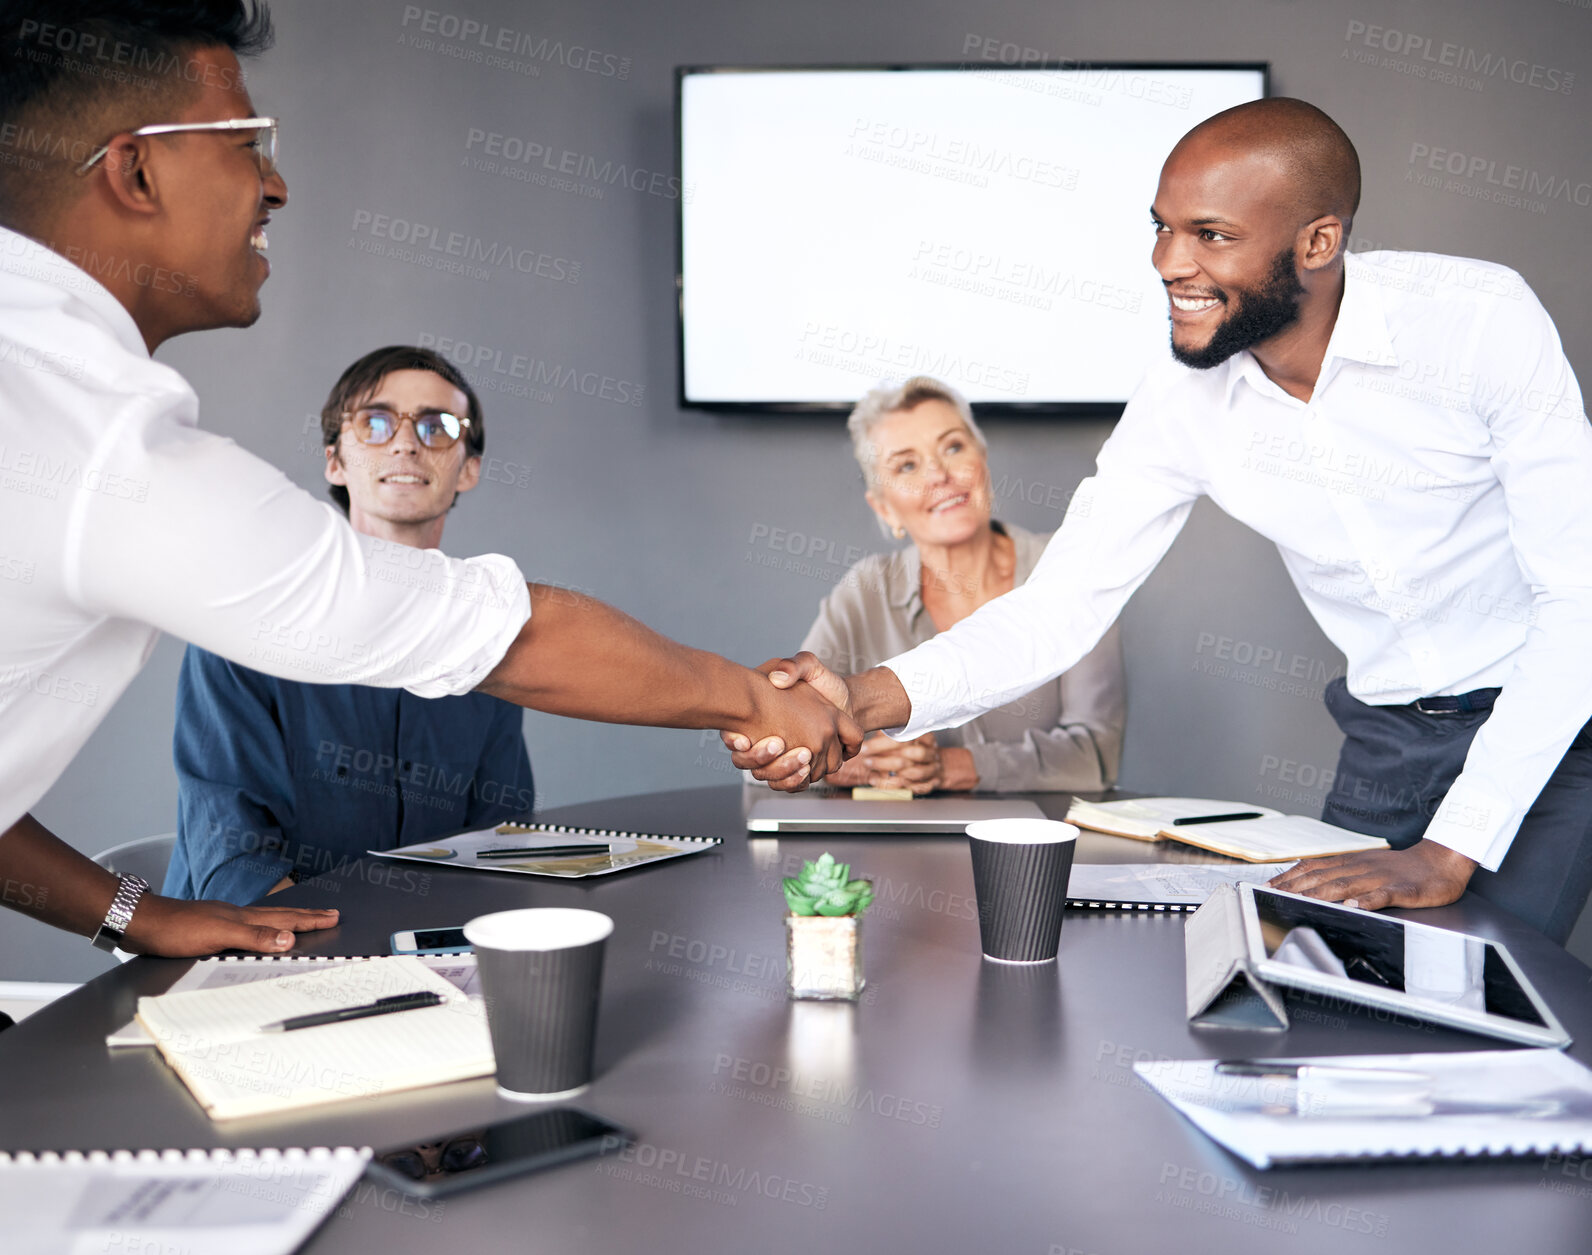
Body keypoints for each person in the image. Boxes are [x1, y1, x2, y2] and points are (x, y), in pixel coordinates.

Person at [0, 1, 857, 961]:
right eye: (248, 145)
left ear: (470, 463)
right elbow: (507, 630)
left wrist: (137, 911)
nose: (275, 185)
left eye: (438, 427)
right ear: (138, 169)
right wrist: (753, 700)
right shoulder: (102, 441)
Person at [735, 97, 1592, 944]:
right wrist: (863, 696)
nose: (1167, 261)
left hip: (1550, 721)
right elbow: (1057, 605)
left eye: (1210, 235)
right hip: (1385, 736)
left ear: (1318, 242)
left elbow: (1578, 597)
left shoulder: (1478, 322)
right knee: (1335, 991)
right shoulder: (1184, 399)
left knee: (1495, 1002)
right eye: (1161, 227)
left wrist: (1452, 846)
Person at [165, 346, 536, 903]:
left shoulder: (489, 639)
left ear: (469, 468)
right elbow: (237, 863)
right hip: (255, 951)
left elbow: (499, 844)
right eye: (376, 422)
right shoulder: (246, 620)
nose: (407, 442)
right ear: (335, 460)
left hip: (423, 953)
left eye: (438, 426)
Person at [798, 376, 1124, 794]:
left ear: (982, 462)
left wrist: (955, 766)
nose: (939, 474)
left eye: (953, 447)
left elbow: (1097, 755)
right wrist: (860, 766)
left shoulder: (1068, 569)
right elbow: (782, 741)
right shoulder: (863, 593)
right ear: (884, 508)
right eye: (907, 465)